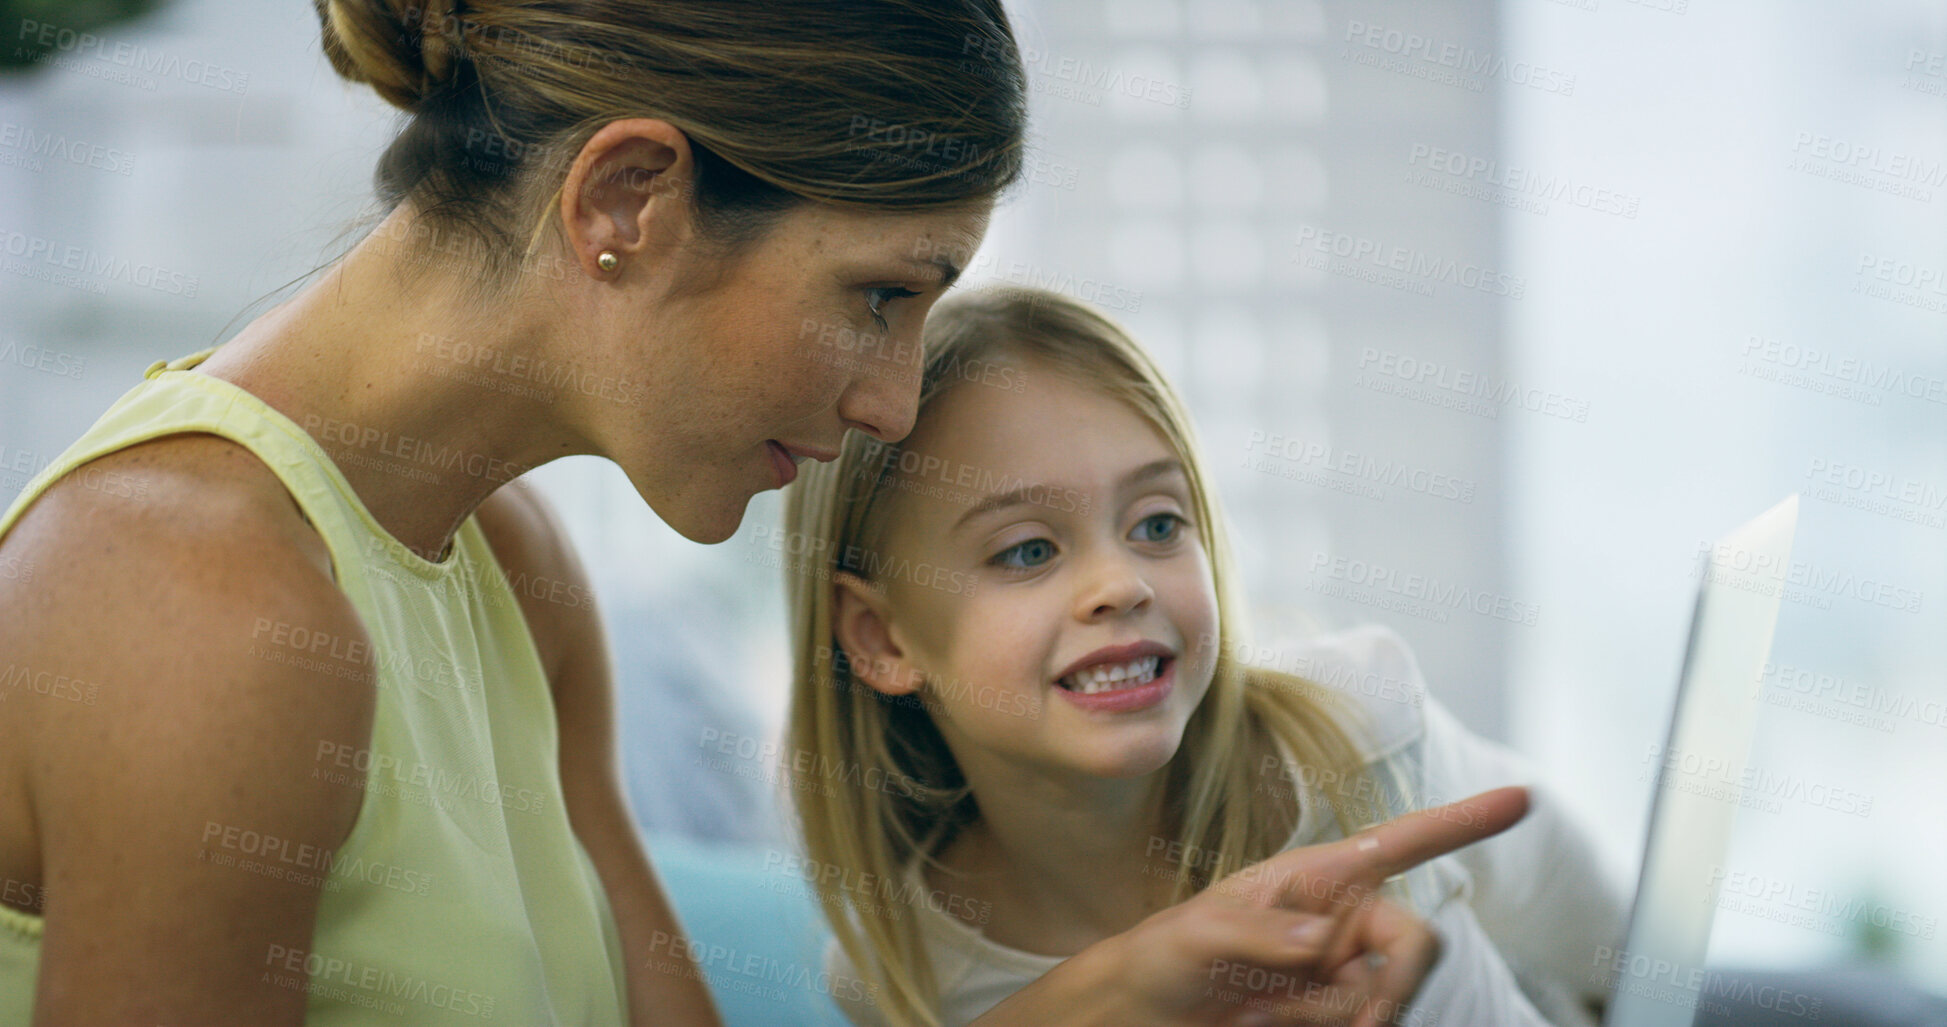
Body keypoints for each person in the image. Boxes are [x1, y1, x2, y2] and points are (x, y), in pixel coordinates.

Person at [0, 3, 1509, 1025]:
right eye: (876, 297)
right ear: (628, 201)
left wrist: (1128, 986)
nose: (896, 406)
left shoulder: (507, 557)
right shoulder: (192, 592)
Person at [780, 287, 1629, 1027]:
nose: (1119, 583)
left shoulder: (1362, 721)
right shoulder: (899, 969)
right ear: (880, 639)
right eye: (1028, 550)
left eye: (1156, 524)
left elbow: (1607, 946)